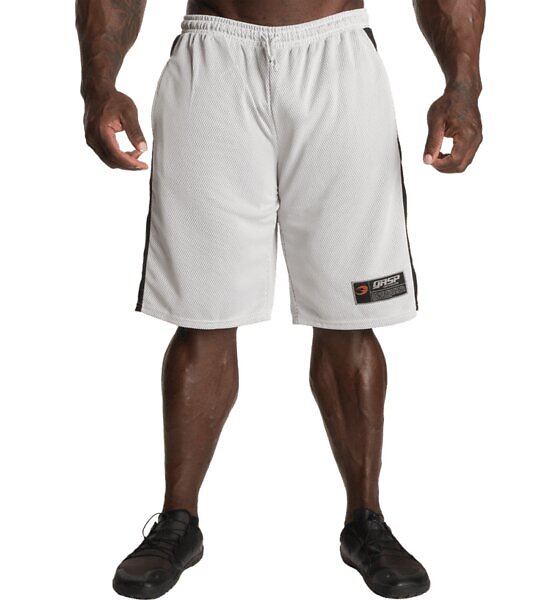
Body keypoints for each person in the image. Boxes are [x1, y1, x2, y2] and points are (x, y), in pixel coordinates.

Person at [75, 0, 485, 598]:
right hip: (212, 56)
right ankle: (178, 523)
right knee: (201, 312)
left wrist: (463, 87)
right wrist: (99, 86)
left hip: (337, 55)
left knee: (351, 314)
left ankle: (366, 522)